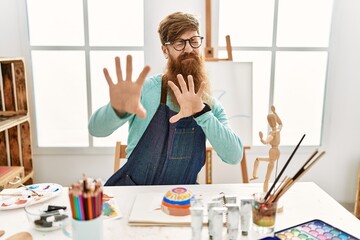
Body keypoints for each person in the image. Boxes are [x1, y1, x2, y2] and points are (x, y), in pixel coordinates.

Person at [88, 12, 243, 186]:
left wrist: (202, 112)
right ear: (165, 50)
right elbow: (95, 130)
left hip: (183, 198)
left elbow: (234, 156)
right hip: (136, 195)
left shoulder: (209, 104)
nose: (189, 49)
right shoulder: (146, 90)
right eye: (179, 43)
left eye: (193, 41)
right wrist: (117, 109)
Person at [250, 105, 282, 192]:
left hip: (273, 154)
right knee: (257, 159)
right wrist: (275, 112)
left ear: (269, 123)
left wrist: (261, 138)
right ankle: (254, 176)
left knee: (267, 178)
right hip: (276, 152)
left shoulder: (272, 133)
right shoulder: (278, 130)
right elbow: (281, 123)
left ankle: (265, 194)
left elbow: (266, 142)